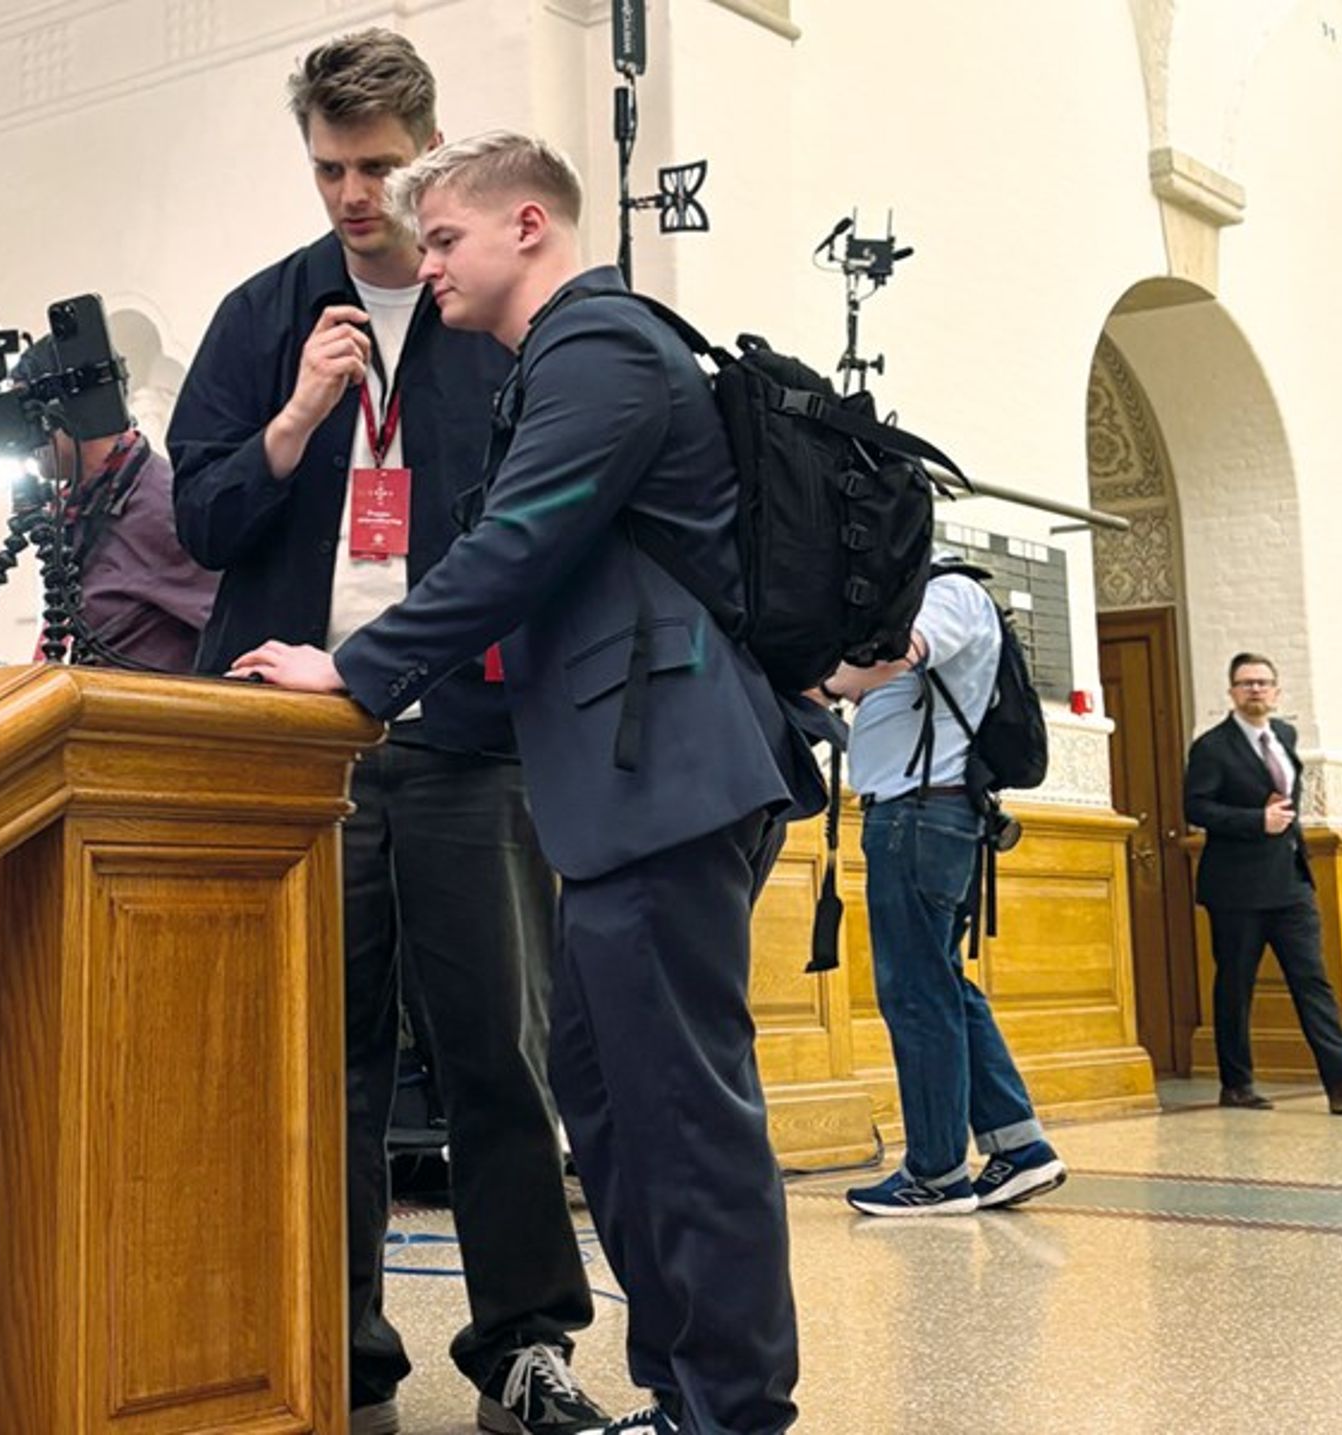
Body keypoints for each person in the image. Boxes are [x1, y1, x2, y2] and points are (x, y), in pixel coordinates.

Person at [236, 131, 832, 1435]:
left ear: (526, 226)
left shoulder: (599, 346)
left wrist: (353, 673)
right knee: (619, 1113)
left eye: (442, 237)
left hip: (667, 779)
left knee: (682, 1119)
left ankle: (730, 1409)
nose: (423, 262)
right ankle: (685, 1396)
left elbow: (517, 542)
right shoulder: (554, 361)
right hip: (618, 792)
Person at [170, 33, 598, 1435]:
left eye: (375, 169)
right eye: (328, 170)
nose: (353, 197)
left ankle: (526, 1345)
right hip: (306, 751)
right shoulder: (262, 311)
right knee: (323, 1058)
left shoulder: (487, 302)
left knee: (496, 1050)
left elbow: (545, 528)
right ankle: (334, 1339)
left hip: (470, 730)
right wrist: (296, 415)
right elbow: (200, 521)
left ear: (425, 152)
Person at [815, 567, 1067, 1217]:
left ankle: (937, 1170)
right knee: (943, 984)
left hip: (918, 818)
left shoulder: (949, 592)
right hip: (923, 817)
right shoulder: (931, 595)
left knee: (917, 992)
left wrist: (829, 683)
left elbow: (906, 653)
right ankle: (1019, 1147)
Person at [1185, 653, 1342, 1114]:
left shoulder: (1284, 736)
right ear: (1232, 693)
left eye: (1263, 683)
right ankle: (1236, 1084)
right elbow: (1196, 808)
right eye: (1245, 684)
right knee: (1236, 987)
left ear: (1277, 691)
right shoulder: (1212, 748)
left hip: (1290, 884)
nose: (1255, 690)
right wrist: (1254, 820)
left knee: (1313, 981)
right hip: (1237, 890)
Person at [13, 338, 216, 672]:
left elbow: (235, 627)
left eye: (28, 418)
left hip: (151, 718)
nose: (21, 438)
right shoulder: (78, 505)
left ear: (63, 412)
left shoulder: (162, 505)